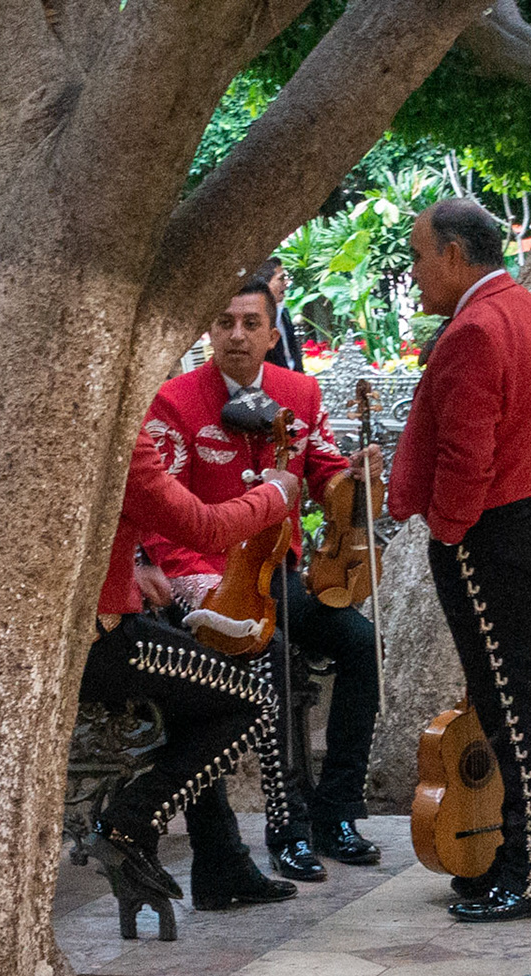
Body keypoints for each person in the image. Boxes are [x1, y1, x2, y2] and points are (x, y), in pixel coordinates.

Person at [133, 279, 385, 886]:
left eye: (250, 323)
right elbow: (156, 508)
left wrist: (351, 476)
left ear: (273, 335)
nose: (237, 335)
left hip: (279, 570)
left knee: (360, 644)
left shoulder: (300, 391)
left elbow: (322, 471)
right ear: (209, 334)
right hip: (203, 577)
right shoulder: (174, 400)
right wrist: (170, 571)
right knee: (267, 658)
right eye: (225, 323)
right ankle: (285, 827)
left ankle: (337, 812)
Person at [392, 198, 531, 922]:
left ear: (456, 255)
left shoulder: (474, 328)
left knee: (516, 712)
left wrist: (448, 530)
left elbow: (469, 455)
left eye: (417, 255)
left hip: (492, 534)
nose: (413, 273)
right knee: (519, 705)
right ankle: (517, 859)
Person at [84, 428, 300, 912]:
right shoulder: (111, 429)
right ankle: (127, 824)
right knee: (254, 700)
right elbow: (205, 528)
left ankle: (222, 865)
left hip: (78, 636)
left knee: (202, 697)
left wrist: (135, 563)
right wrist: (278, 492)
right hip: (103, 642)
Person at [262, 257, 306, 373]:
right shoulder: (257, 321)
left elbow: (293, 354)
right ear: (265, 283)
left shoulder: (284, 314)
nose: (286, 284)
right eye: (281, 279)